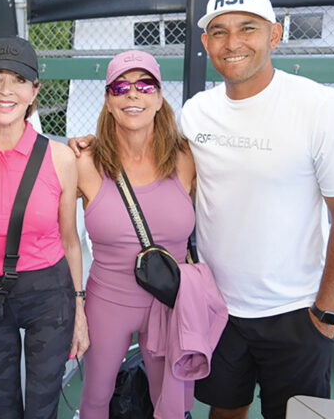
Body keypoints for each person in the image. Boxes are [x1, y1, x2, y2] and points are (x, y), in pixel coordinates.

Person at [179, 0, 334, 419]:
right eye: (220, 31)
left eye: (248, 28)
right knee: (225, 411)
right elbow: (160, 174)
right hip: (219, 308)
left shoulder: (322, 107)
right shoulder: (195, 113)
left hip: (296, 312)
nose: (233, 43)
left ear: (275, 35)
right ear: (206, 42)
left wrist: (325, 313)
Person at [0, 36, 89, 419]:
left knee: (43, 406)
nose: (6, 91)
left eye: (19, 80)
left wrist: (79, 308)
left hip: (48, 291)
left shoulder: (59, 158)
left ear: (34, 90)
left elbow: (71, 241)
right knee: (3, 406)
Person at [76, 50, 226, 418]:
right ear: (108, 101)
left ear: (159, 99)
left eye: (145, 85)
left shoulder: (187, 158)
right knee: (96, 396)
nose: (133, 94)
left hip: (171, 300)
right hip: (108, 301)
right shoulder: (84, 162)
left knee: (169, 400)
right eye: (121, 86)